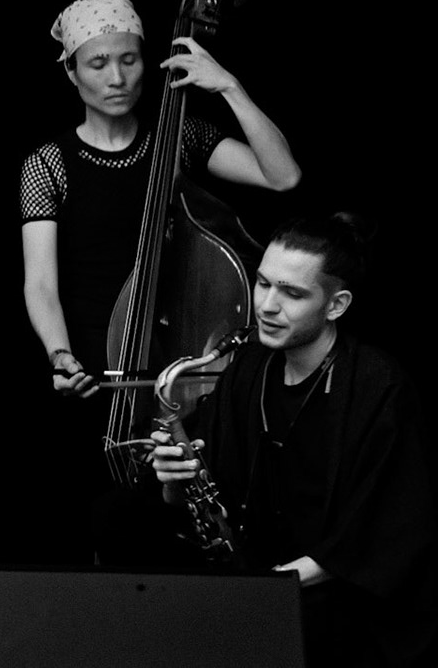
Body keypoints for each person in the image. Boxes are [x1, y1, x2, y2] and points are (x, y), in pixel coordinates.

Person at [17, 0, 302, 561]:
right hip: (96, 380)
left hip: (176, 385)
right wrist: (59, 354)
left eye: (130, 59)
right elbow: (40, 283)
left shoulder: (181, 138)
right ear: (71, 72)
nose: (117, 76)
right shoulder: (47, 164)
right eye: (97, 63)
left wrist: (227, 87)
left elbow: (283, 176)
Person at [150, 215, 436, 667]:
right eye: (263, 284)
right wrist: (172, 480)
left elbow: (387, 533)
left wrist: (271, 589)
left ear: (337, 305)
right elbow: (200, 495)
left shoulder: (378, 388)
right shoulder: (246, 367)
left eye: (292, 293)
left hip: (337, 601)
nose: (266, 305)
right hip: (255, 580)